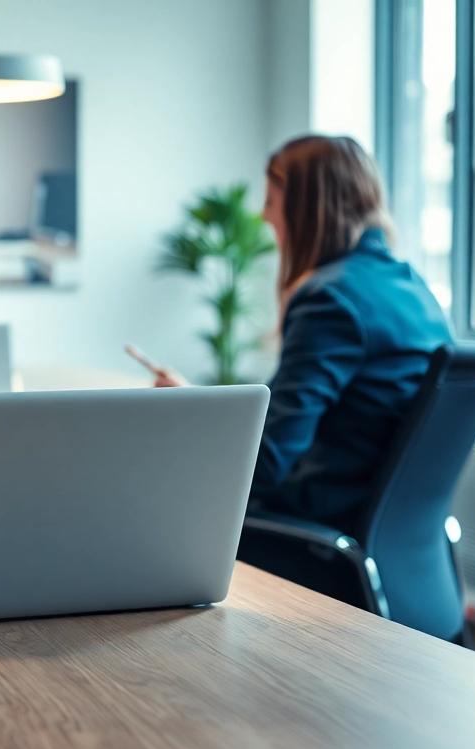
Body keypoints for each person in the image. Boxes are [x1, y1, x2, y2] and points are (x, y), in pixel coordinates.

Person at [154, 135, 452, 534]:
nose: (263, 217)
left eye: (271, 202)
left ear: (304, 209)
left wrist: (188, 419)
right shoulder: (413, 287)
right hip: (390, 532)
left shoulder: (330, 301)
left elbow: (266, 464)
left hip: (315, 529)